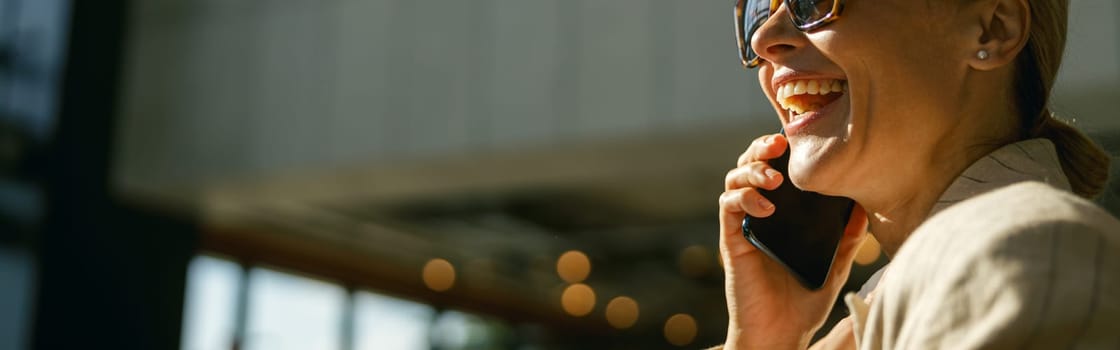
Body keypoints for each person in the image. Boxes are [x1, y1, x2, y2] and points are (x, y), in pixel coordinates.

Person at [716, 0, 1120, 349]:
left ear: (992, 29)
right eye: (758, 9)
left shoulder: (1024, 249)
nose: (763, 39)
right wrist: (761, 341)